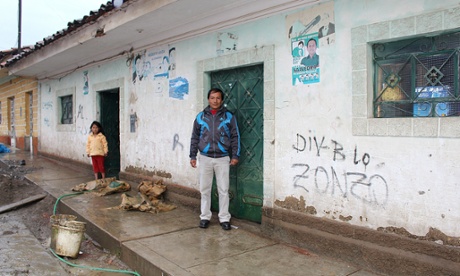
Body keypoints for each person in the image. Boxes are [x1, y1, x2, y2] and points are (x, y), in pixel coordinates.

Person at [189, 88, 240, 231]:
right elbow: (194, 137)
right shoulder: (200, 117)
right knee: (204, 189)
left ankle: (224, 218)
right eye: (212, 98)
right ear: (208, 99)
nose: (215, 101)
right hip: (205, 158)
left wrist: (235, 155)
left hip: (223, 158)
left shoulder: (229, 116)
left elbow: (236, 136)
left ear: (222, 100)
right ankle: (205, 217)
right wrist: (193, 155)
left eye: (218, 98)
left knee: (223, 189)